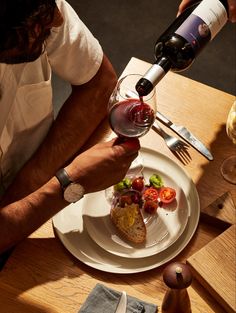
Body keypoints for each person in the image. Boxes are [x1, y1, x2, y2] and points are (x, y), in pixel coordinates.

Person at [0, 0, 140, 257]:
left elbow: (99, 84)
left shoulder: (36, 9)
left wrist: (28, 185)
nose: (57, 20)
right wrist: (67, 186)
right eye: (39, 17)